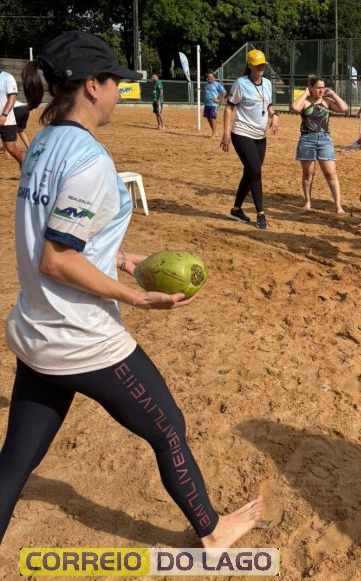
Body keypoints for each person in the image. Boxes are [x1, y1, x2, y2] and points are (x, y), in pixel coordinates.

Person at [0, 30, 263, 546]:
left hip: (37, 330)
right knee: (168, 427)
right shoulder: (89, 160)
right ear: (91, 86)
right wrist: (136, 297)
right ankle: (211, 532)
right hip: (82, 335)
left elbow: (59, 234)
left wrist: (118, 258)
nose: (119, 92)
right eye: (115, 82)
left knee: (14, 461)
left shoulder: (42, 143)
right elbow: (57, 258)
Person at [221, 49, 279, 230]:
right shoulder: (241, 83)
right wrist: (226, 133)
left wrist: (274, 115)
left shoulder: (267, 84)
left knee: (250, 172)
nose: (261, 67)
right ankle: (260, 214)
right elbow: (229, 107)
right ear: (250, 66)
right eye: (257, 65)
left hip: (260, 135)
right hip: (242, 133)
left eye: (263, 65)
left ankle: (236, 209)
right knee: (256, 171)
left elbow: (268, 105)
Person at [290, 76, 348, 214]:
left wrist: (333, 94)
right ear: (311, 88)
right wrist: (305, 93)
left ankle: (338, 206)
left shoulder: (327, 101)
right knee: (308, 173)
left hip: (324, 140)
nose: (321, 90)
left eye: (323, 87)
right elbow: (294, 108)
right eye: (318, 88)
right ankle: (307, 202)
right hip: (307, 139)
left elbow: (344, 108)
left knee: (330, 173)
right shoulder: (305, 102)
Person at [0, 67, 23, 168]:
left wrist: (4, 115)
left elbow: (12, 98)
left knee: (11, 148)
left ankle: (23, 164)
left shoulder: (7, 77)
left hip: (6, 120)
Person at [204, 71, 227, 138]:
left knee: (213, 118)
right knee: (208, 118)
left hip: (213, 105)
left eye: (211, 77)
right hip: (207, 104)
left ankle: (214, 133)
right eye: (208, 77)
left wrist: (219, 100)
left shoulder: (217, 84)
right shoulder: (206, 84)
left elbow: (224, 92)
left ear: (214, 77)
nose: (210, 78)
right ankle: (215, 132)